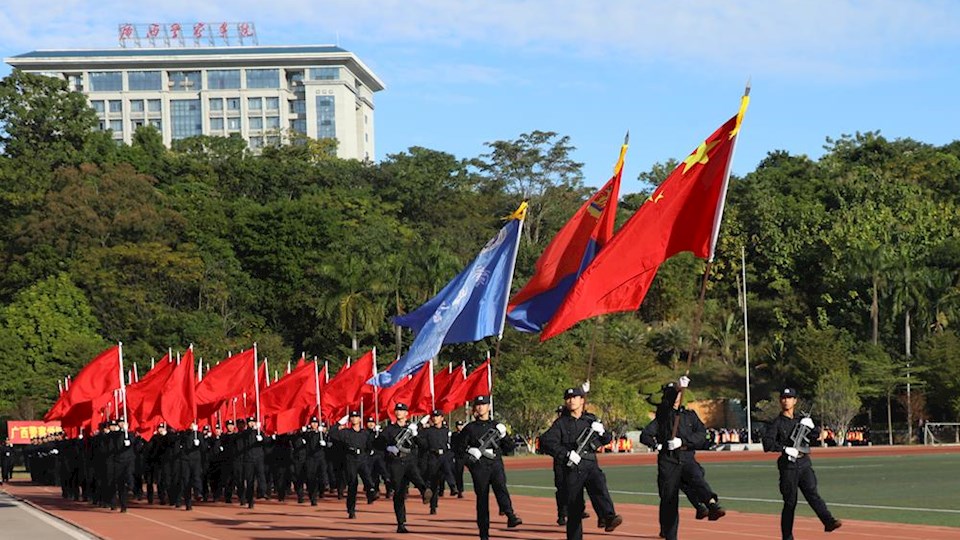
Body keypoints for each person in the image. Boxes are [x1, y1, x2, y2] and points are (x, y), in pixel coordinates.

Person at [640, 378, 724, 540]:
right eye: (672, 394)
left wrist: (684, 442)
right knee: (669, 499)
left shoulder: (690, 416)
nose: (676, 397)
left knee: (697, 478)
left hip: (686, 456)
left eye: (678, 394)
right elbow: (646, 435)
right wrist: (658, 445)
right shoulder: (663, 415)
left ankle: (711, 504)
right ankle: (670, 534)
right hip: (668, 460)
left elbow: (701, 435)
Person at [540, 387, 622, 539]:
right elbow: (546, 441)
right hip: (572, 469)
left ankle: (608, 517)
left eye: (575, 397)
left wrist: (603, 432)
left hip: (590, 463)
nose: (571, 400)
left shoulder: (591, 420)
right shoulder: (561, 423)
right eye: (568, 398)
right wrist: (566, 454)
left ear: (582, 400)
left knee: (599, 488)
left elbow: (606, 439)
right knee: (575, 508)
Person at [762, 387, 842, 540]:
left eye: (790, 398)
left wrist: (813, 427)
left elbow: (814, 436)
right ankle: (787, 536)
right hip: (788, 467)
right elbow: (767, 444)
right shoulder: (776, 423)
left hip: (804, 463)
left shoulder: (801, 420)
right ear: (780, 401)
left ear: (795, 401)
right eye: (784, 398)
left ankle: (828, 521)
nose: (786, 401)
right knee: (790, 502)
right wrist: (785, 449)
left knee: (813, 494)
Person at [459, 395, 522, 540]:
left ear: (489, 407)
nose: (481, 407)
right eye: (478, 405)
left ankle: (510, 514)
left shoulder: (496, 426)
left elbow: (509, 447)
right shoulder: (470, 428)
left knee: (501, 487)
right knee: (482, 499)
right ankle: (484, 533)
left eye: (484, 404)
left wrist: (505, 434)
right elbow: (459, 449)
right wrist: (470, 452)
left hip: (495, 463)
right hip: (479, 467)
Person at [379, 402, 432, 534]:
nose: (398, 413)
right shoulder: (389, 429)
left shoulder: (412, 428)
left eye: (401, 411)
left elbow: (424, 446)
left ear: (407, 414)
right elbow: (377, 444)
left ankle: (425, 492)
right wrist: (388, 448)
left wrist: (415, 435)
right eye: (397, 410)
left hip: (410, 461)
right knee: (399, 493)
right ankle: (401, 523)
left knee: (418, 478)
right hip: (396, 463)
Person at [331, 410, 377, 518]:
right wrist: (339, 423)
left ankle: (371, 492)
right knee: (353, 485)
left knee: (368, 477)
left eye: (356, 417)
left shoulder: (365, 433)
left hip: (362, 458)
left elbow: (371, 443)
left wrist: (374, 432)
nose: (354, 419)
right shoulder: (346, 432)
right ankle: (351, 510)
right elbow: (332, 433)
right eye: (352, 417)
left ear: (360, 419)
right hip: (350, 459)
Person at [419, 409, 458, 514]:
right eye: (434, 417)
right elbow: (420, 441)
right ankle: (433, 506)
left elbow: (450, 444)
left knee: (447, 468)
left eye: (437, 416)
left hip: (444, 455)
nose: (435, 418)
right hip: (432, 457)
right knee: (434, 483)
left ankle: (453, 487)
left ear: (442, 418)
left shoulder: (446, 431)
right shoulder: (428, 431)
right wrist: (420, 425)